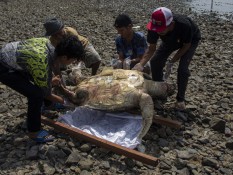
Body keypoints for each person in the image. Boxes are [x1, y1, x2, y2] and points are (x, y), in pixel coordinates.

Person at [0, 36, 84, 143]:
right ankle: (34, 132)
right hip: (4, 66)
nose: (72, 62)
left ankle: (49, 104)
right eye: (73, 60)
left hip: (18, 58)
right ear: (64, 57)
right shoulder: (42, 60)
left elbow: (46, 74)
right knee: (36, 94)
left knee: (43, 82)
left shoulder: (49, 46)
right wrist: (66, 102)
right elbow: (45, 93)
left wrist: (57, 86)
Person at [133, 7, 201, 110]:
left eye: (161, 29)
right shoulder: (153, 27)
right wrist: (141, 64)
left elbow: (186, 46)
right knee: (155, 61)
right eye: (157, 30)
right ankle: (159, 91)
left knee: (183, 69)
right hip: (169, 39)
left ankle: (180, 99)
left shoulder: (184, 25)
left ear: (171, 24)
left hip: (190, 40)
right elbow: (151, 49)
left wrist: (172, 61)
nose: (158, 32)